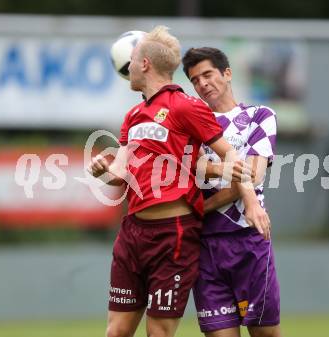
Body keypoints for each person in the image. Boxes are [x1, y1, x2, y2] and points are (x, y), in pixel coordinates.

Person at [89, 27, 262, 337]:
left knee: (159, 333)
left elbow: (231, 154)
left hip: (174, 236)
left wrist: (248, 197)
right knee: (116, 332)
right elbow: (120, 173)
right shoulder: (133, 115)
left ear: (144, 65)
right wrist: (102, 170)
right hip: (132, 234)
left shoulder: (187, 106)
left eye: (132, 63)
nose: (127, 70)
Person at [182, 47, 281, 337]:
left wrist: (201, 208)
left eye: (207, 75)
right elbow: (189, 170)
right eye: (195, 80)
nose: (202, 84)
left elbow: (253, 174)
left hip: (248, 238)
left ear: (227, 74)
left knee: (265, 334)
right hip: (205, 247)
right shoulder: (193, 127)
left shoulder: (259, 116)